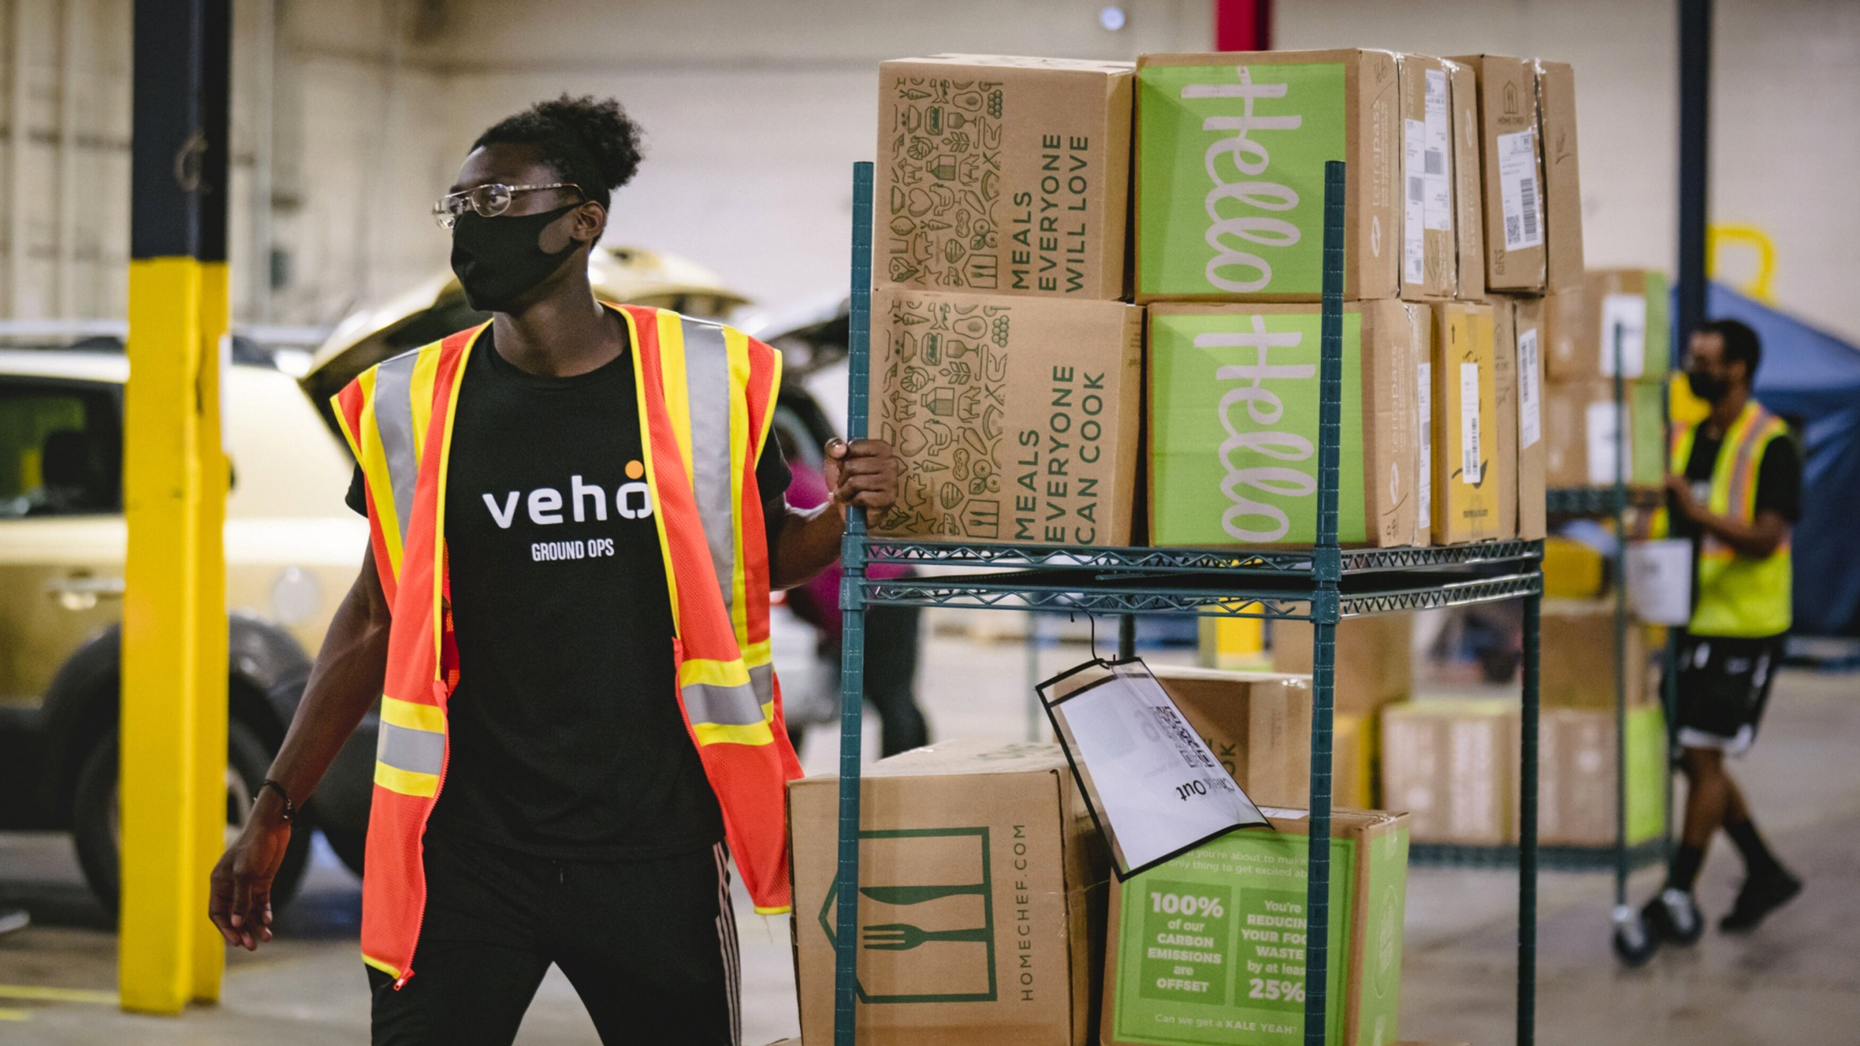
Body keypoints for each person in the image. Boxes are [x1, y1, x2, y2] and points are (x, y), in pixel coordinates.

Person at [207, 95, 898, 1046]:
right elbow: (373, 617)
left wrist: (844, 514)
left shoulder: (710, 381)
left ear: (583, 221)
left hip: (651, 852)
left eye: (496, 199)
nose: (470, 227)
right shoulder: (412, 404)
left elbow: (762, 550)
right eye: (459, 205)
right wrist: (274, 804)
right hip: (468, 855)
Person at [1620, 318, 1801, 963]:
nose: (1694, 370)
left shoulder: (1773, 443)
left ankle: (1675, 891)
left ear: (1739, 370)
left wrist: (1696, 514)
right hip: (1690, 620)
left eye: (1705, 361)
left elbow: (1767, 536)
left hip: (1746, 626)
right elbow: (1668, 519)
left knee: (1702, 754)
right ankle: (1764, 870)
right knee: (1698, 760)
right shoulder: (1689, 438)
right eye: (1692, 358)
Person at [776, 434, 928, 758]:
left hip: (877, 592)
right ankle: (914, 773)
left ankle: (906, 778)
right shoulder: (802, 476)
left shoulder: (782, 490)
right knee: (896, 696)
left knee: (892, 697)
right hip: (894, 581)